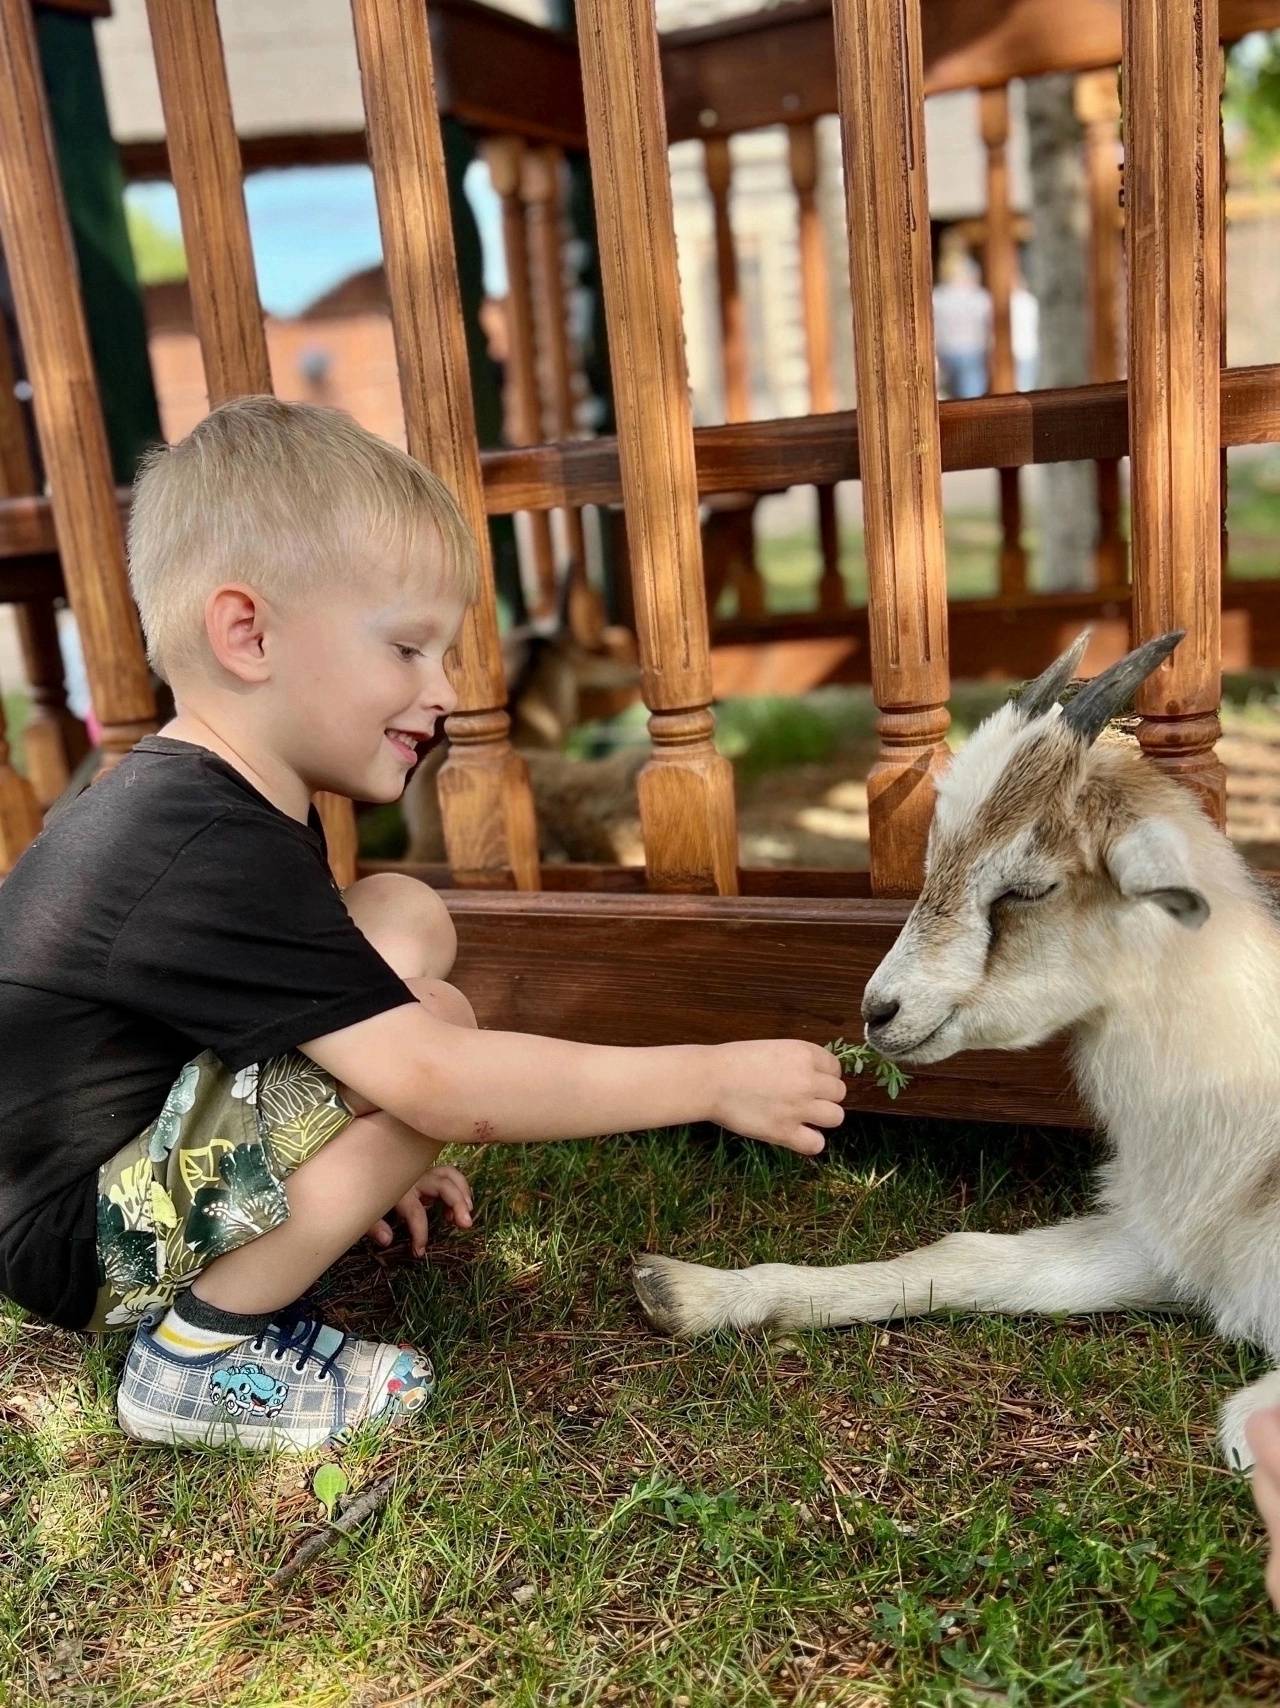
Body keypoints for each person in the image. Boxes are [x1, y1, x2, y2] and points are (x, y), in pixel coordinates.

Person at [0, 398, 846, 1452]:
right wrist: (712, 1078)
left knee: (399, 913)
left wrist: (364, 1163)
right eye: (407, 647)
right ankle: (195, 1360)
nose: (443, 690)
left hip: (117, 1166)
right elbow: (440, 1083)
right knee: (429, 1034)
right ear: (248, 633)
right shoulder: (200, 845)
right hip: (82, 1241)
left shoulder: (215, 804)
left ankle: (276, 1238)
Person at [932, 248, 992, 400]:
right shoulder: (979, 297)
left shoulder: (938, 296)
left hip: (946, 351)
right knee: (971, 401)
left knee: (949, 400)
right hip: (971, 351)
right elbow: (988, 326)